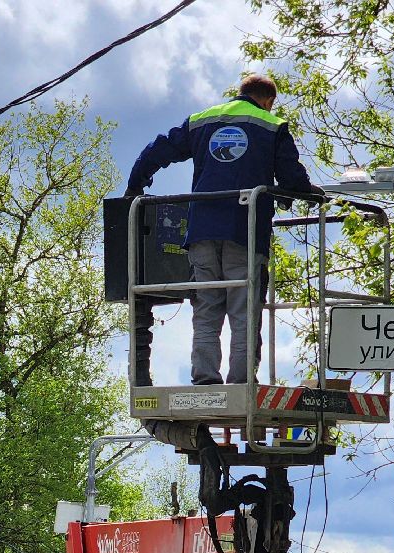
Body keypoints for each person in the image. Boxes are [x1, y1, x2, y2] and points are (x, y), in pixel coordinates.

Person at [124, 74, 324, 386]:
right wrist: (308, 192)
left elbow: (157, 149)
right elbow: (291, 178)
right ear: (268, 100)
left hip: (202, 231)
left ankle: (205, 378)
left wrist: (135, 184)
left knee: (206, 309)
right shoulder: (272, 126)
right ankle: (241, 382)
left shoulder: (202, 121)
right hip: (244, 231)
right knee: (243, 310)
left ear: (239, 93)